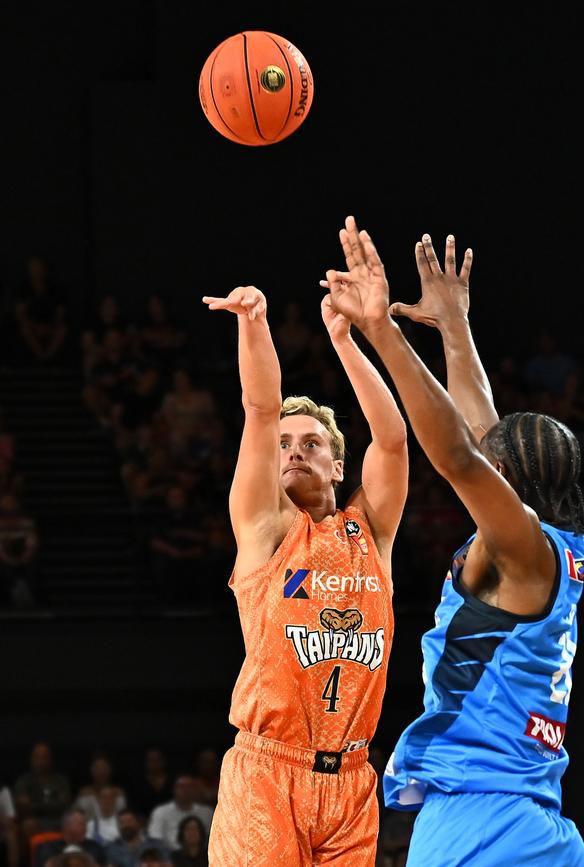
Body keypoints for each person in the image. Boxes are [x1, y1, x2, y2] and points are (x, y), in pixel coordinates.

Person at [321, 217, 584, 866]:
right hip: (522, 817)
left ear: (507, 479)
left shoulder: (522, 545)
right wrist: (454, 323)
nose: (485, 435)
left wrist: (383, 330)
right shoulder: (544, 545)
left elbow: (460, 452)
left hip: (485, 820)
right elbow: (476, 423)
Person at [201, 265, 408, 866]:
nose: (294, 451)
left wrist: (345, 339)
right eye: (287, 446)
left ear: (338, 467)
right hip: (269, 771)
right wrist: (254, 324)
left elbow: (391, 439)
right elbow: (261, 409)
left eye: (312, 442)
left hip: (351, 781)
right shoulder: (263, 528)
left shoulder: (372, 533)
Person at [146, 777, 212, 853]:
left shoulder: (207, 813)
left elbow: (213, 839)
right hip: (168, 856)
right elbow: (155, 839)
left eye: (189, 787)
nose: (185, 790)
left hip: (201, 856)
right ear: (174, 790)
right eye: (181, 786)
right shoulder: (160, 812)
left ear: (195, 790)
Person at [104, 809, 171, 867]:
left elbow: (168, 864)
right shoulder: (112, 848)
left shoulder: (157, 845)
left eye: (129, 821)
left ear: (138, 823)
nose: (126, 825)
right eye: (122, 823)